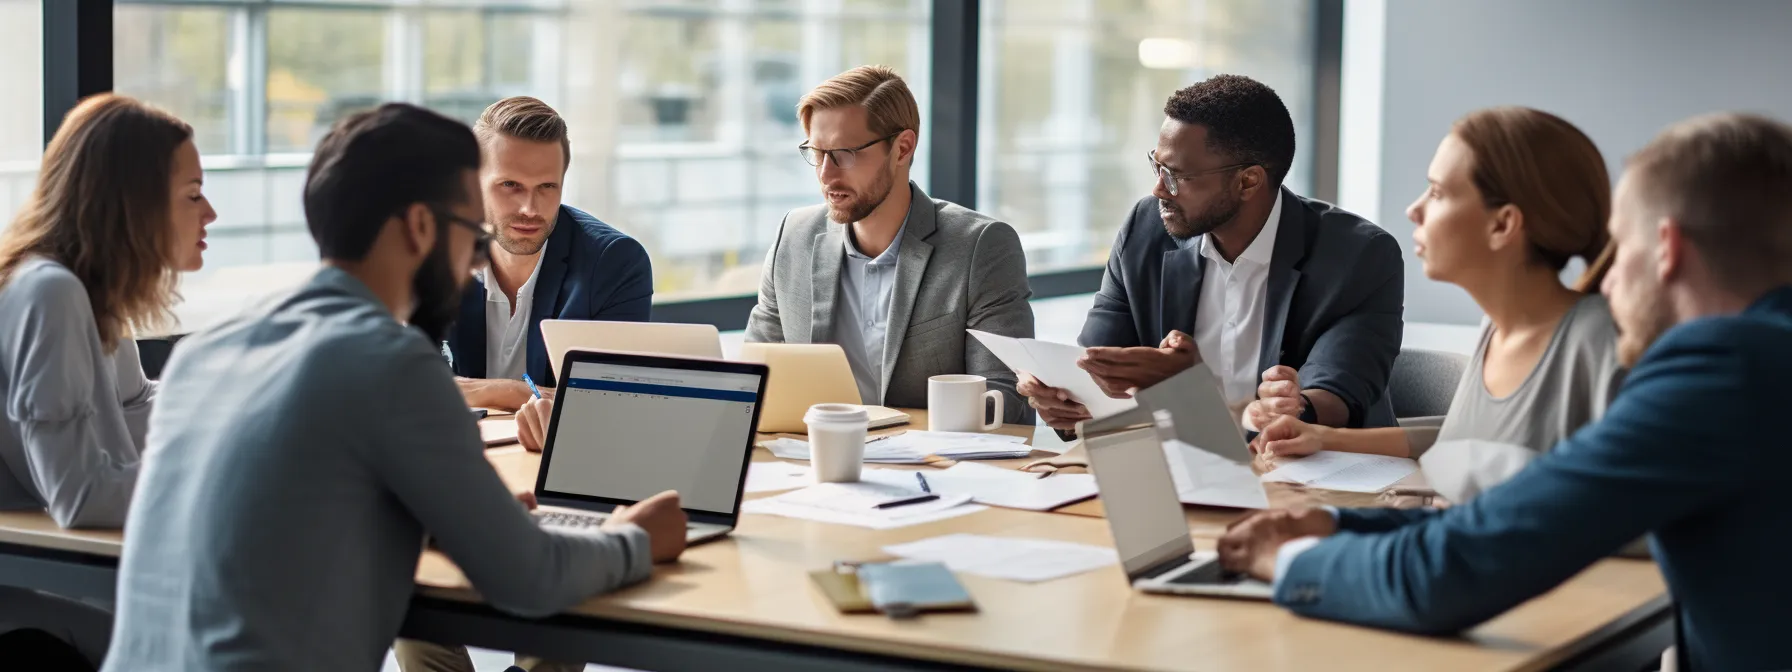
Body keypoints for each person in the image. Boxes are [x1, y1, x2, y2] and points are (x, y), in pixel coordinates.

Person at [103, 104, 689, 672]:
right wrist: (635, 538)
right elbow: (530, 577)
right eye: (470, 230)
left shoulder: (207, 350)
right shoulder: (391, 362)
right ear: (420, 227)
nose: (475, 258)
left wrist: (456, 512)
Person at [1216, 112, 1792, 671]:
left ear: (1667, 248)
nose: (1608, 280)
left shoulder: (1726, 369)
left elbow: (1461, 568)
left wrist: (1287, 560)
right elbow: (1502, 516)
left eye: (1622, 248)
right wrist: (1341, 525)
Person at [1250, 108, 1623, 487]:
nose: (1414, 210)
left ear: (1503, 224)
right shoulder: (1496, 327)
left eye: (1438, 192)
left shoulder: (1600, 343)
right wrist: (1329, 438)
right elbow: (1475, 442)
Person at [1021, 74, 1403, 433]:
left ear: (1248, 181)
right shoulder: (1146, 229)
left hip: (1316, 475)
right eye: (1157, 165)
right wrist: (1067, 398)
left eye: (1177, 176)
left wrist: (1284, 406)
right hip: (1174, 467)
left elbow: (1337, 397)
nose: (1158, 190)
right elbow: (1100, 359)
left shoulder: (1359, 255)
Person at [0, 93, 215, 668]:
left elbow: (137, 412)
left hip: (73, 574)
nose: (211, 213)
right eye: (193, 195)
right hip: (30, 596)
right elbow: (79, 495)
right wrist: (227, 473)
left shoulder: (91, 292)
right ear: (132, 206)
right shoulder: (49, 291)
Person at [744, 65, 1035, 422]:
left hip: (932, 465)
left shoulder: (980, 247)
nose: (826, 175)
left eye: (845, 154)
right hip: (811, 460)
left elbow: (1009, 404)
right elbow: (753, 381)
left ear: (902, 148)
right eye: (817, 153)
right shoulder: (794, 236)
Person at [447, 96, 653, 411]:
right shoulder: (435, 253)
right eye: (510, 185)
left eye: (546, 187)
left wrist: (505, 392)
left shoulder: (614, 263)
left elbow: (615, 402)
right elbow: (398, 384)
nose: (530, 209)